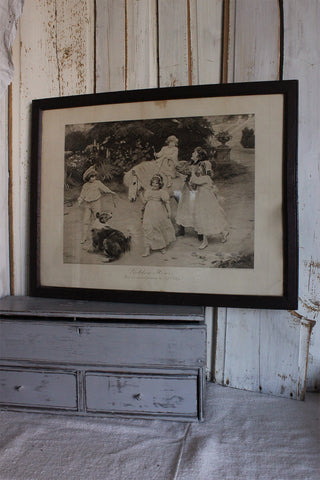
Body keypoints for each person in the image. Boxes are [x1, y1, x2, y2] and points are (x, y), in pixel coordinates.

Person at [190, 161, 229, 249]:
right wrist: (192, 183)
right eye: (199, 167)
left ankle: (222, 233)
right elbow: (195, 186)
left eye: (200, 167)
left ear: (204, 169)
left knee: (210, 218)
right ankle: (206, 240)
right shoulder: (200, 177)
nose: (198, 168)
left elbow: (196, 181)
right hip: (200, 200)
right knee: (203, 218)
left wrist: (192, 173)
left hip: (207, 201)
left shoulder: (206, 178)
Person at [78, 166, 117, 244]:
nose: (93, 178)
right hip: (87, 204)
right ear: (88, 178)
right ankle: (84, 237)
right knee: (86, 220)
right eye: (92, 177)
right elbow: (82, 194)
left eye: (94, 176)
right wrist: (80, 200)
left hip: (96, 203)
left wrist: (110, 191)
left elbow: (104, 188)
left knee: (97, 219)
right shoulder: (85, 185)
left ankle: (98, 235)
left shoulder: (98, 183)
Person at [175, 146, 207, 236]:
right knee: (183, 207)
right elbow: (179, 168)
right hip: (187, 189)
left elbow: (203, 177)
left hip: (195, 190)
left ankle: (199, 231)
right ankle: (181, 229)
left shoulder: (201, 165)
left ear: (198, 156)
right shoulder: (189, 164)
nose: (192, 154)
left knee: (195, 208)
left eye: (194, 153)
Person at [141, 174, 176, 257]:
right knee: (148, 227)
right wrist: (140, 195)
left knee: (158, 227)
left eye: (156, 183)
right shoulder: (148, 192)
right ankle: (147, 249)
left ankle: (162, 246)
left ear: (160, 184)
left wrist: (169, 212)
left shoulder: (162, 192)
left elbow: (167, 203)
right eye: (153, 183)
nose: (154, 185)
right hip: (149, 211)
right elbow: (144, 202)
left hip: (159, 211)